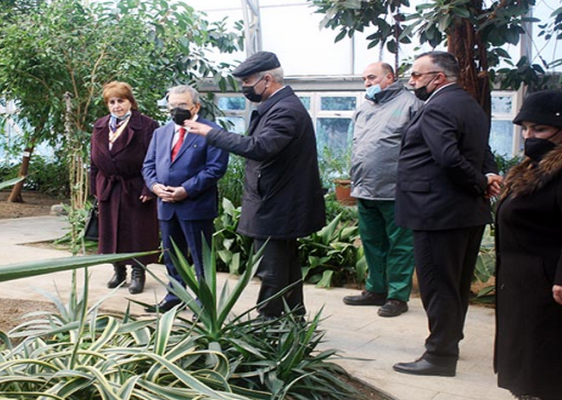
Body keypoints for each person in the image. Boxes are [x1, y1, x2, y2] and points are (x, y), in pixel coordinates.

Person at [185, 51, 325, 319]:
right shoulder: (279, 106)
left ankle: (268, 321)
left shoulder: (285, 110)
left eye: (247, 81)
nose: (244, 88)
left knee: (271, 266)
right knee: (285, 263)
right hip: (276, 199)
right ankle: (293, 317)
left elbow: (260, 147)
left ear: (268, 79)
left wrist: (211, 133)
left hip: (277, 203)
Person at [392, 51, 502, 376]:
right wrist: (488, 178)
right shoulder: (470, 104)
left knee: (438, 285)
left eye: (416, 75)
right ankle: (450, 339)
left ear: (438, 77)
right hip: (466, 212)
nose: (411, 81)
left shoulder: (438, 106)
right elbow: (483, 150)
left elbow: (449, 158)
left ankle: (439, 356)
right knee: (455, 283)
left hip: (437, 212)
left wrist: (482, 180)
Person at [495, 90, 562, 400]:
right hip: (520, 282)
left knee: (542, 358)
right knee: (523, 353)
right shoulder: (532, 167)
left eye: (540, 129)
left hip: (546, 283)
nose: (529, 136)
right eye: (525, 129)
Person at [342, 62, 423, 317]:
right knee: (372, 242)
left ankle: (397, 297)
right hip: (365, 188)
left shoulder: (411, 105)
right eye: (364, 78)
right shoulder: (365, 106)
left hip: (396, 190)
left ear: (389, 78)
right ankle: (375, 290)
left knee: (400, 245)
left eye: (371, 77)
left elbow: (419, 149)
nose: (367, 82)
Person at [142, 85, 229, 313]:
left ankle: (205, 303)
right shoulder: (161, 133)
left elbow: (215, 169)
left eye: (182, 106)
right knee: (172, 257)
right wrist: (154, 186)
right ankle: (174, 297)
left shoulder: (211, 131)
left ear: (195, 106)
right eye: (172, 106)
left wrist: (185, 190)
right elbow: (149, 165)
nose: (176, 110)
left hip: (195, 206)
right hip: (166, 206)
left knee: (201, 259)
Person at [90, 81, 160, 295]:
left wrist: (150, 189)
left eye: (121, 100)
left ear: (130, 102)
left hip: (136, 186)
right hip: (109, 186)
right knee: (111, 231)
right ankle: (118, 270)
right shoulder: (100, 125)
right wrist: (95, 188)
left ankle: (138, 272)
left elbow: (155, 159)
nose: (116, 106)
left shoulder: (147, 125)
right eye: (112, 102)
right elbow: (93, 161)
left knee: (138, 231)